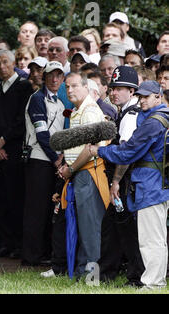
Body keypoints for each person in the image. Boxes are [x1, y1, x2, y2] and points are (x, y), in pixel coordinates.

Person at [90, 80, 169, 289]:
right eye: (140, 96)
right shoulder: (164, 119)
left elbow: (128, 151)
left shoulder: (153, 122)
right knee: (157, 238)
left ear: (158, 96)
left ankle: (153, 283)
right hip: (159, 184)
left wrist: (99, 151)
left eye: (146, 97)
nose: (141, 100)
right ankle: (156, 281)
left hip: (150, 186)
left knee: (150, 240)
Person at [58, 73, 110, 278]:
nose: (70, 90)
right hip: (80, 173)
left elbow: (90, 150)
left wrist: (70, 169)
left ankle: (92, 277)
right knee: (83, 226)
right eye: (67, 87)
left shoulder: (89, 111)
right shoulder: (79, 110)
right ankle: (82, 273)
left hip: (89, 173)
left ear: (87, 88)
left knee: (91, 228)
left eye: (74, 86)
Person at [0, 49, 35, 258]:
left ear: (14, 63)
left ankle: (19, 244)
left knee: (17, 198)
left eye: (6, 62)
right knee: (1, 198)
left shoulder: (24, 87)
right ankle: (5, 242)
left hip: (16, 151)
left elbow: (22, 120)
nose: (2, 67)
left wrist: (4, 142)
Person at [97, 66, 145, 286]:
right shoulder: (127, 112)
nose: (114, 93)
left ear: (132, 91)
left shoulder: (130, 115)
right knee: (114, 227)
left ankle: (135, 276)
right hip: (126, 181)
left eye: (120, 89)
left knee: (125, 229)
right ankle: (107, 273)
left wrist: (116, 182)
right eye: (113, 88)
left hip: (125, 181)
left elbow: (125, 154)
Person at [22, 61, 65, 265]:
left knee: (48, 209)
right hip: (39, 160)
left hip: (52, 161)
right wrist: (57, 159)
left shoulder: (60, 104)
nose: (55, 79)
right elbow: (41, 134)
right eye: (51, 75)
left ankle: (43, 253)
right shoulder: (37, 99)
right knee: (36, 210)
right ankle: (31, 257)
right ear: (44, 77)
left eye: (59, 75)